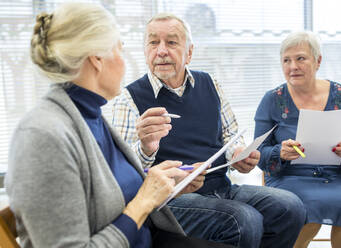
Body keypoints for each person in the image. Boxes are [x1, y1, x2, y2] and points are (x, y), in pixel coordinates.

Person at [5, 3, 234, 248]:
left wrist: (162, 185)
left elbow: (109, 192)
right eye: (120, 50)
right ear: (97, 60)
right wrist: (143, 202)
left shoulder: (89, 116)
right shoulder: (42, 135)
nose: (126, 63)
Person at [112, 13, 306, 248]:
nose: (161, 51)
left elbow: (230, 136)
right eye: (153, 42)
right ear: (145, 51)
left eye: (172, 42)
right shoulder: (128, 98)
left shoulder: (210, 84)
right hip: (171, 200)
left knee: (291, 207)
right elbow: (121, 172)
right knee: (244, 220)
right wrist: (145, 147)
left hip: (220, 187)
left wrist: (237, 154)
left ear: (189, 52)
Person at [254, 31, 341, 248]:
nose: (292, 66)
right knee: (302, 208)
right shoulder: (271, 100)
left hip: (334, 176)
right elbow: (259, 154)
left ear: (318, 61)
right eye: (286, 60)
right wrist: (280, 153)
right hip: (287, 177)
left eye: (300, 58)